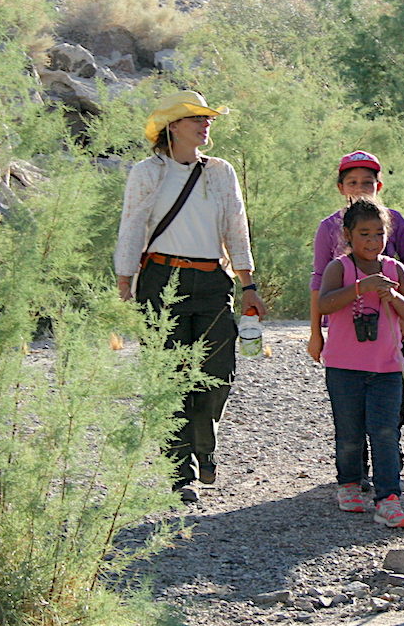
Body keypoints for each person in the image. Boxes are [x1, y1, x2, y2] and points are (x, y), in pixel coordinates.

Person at [115, 90, 266, 504]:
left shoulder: (221, 172)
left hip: (212, 281)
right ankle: (178, 473)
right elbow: (131, 226)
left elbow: (237, 227)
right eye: (195, 118)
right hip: (160, 279)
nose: (205, 124)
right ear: (172, 127)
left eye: (207, 118)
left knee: (218, 372)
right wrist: (124, 278)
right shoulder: (147, 172)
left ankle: (204, 446)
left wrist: (247, 283)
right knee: (169, 378)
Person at [307, 150, 404, 490]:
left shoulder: (394, 221)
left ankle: (389, 471)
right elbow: (319, 283)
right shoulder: (328, 228)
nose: (361, 188)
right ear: (341, 187)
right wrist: (315, 333)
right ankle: (354, 476)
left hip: (389, 331)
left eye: (368, 182)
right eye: (353, 182)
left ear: (379, 185)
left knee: (392, 404)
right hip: (345, 335)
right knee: (349, 413)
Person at [319, 197, 404, 528]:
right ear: (348, 234)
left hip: (387, 368)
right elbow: (324, 304)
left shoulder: (395, 269)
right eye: (364, 234)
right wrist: (360, 288)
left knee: (385, 432)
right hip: (344, 368)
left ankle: (389, 499)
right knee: (349, 433)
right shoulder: (340, 268)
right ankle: (349, 484)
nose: (373, 241)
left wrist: (392, 296)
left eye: (379, 234)